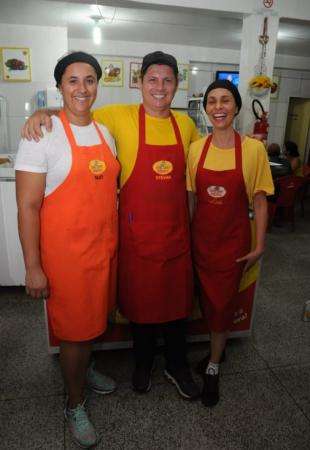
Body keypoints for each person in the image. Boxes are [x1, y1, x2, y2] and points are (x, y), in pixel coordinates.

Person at [22, 51, 201, 400]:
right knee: (138, 307)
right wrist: (42, 114)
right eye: (152, 79)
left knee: (172, 307)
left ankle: (173, 365)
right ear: (139, 83)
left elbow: (191, 178)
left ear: (177, 85)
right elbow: (74, 113)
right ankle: (131, 370)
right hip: (125, 240)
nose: (159, 87)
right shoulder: (116, 117)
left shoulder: (184, 126)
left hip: (160, 237)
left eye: (167, 80)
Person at [16, 51, 120, 448]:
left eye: (89, 79)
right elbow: (26, 206)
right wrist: (33, 267)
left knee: (93, 322)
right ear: (59, 86)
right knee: (74, 335)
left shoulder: (105, 132)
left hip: (102, 249)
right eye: (73, 80)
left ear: (97, 85)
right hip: (66, 258)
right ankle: (74, 401)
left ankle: (84, 368)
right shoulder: (42, 133)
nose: (82, 88)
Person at [187, 80, 274, 407]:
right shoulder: (197, 148)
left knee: (222, 307)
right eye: (212, 101)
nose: (218, 107)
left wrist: (260, 245)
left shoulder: (253, 150)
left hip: (233, 245)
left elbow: (261, 201)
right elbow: (191, 200)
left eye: (225, 100)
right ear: (206, 108)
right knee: (203, 303)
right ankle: (215, 352)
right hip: (200, 242)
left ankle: (212, 366)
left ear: (236, 107)